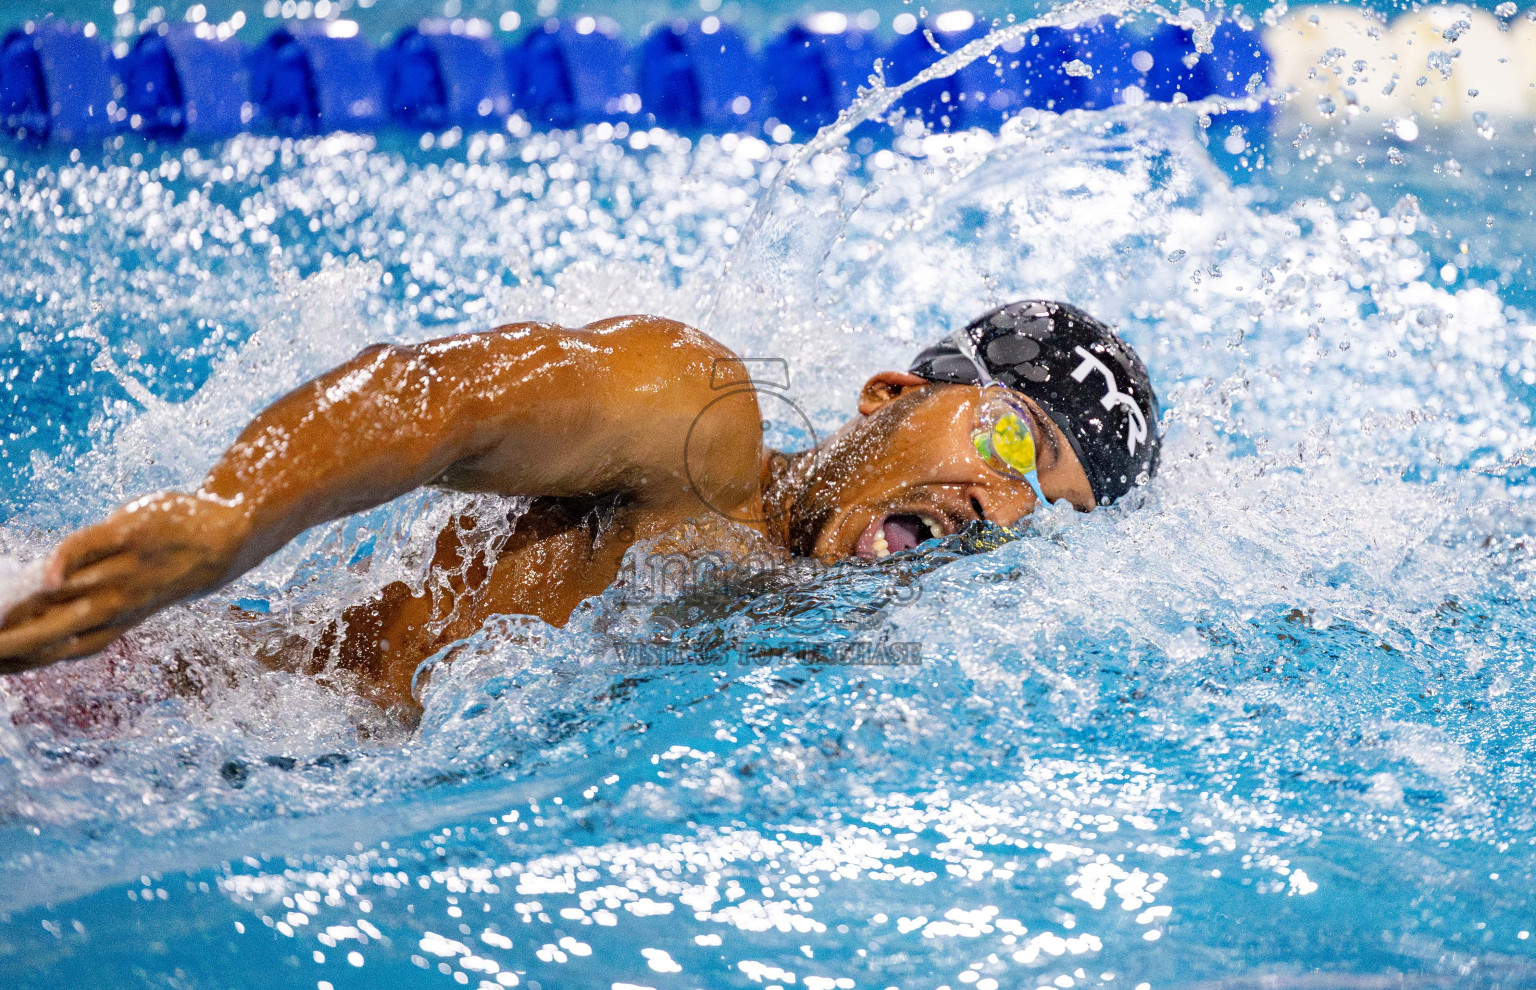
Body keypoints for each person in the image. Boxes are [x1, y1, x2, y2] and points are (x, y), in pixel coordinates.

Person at [0, 299, 1160, 721]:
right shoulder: (696, 430)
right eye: (1016, 438)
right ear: (894, 396)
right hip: (129, 684)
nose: (1002, 506)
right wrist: (228, 515)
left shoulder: (870, 647)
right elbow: (436, 398)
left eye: (1045, 512)